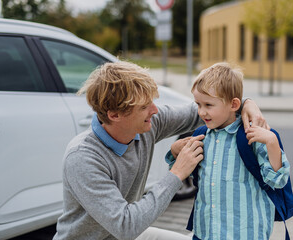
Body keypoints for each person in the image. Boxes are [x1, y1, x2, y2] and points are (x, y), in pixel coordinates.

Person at [53, 61, 267, 240]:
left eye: (152, 102)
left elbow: (207, 108)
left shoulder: (147, 123)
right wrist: (177, 173)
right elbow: (126, 225)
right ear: (114, 115)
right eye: (144, 107)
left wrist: (246, 103)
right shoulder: (82, 157)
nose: (155, 111)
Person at [166, 62, 291, 240]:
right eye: (198, 104)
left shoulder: (252, 136)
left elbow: (277, 181)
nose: (201, 112)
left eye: (208, 105)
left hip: (245, 234)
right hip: (205, 232)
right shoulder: (202, 136)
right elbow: (189, 174)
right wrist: (175, 151)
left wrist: (272, 142)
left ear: (234, 104)